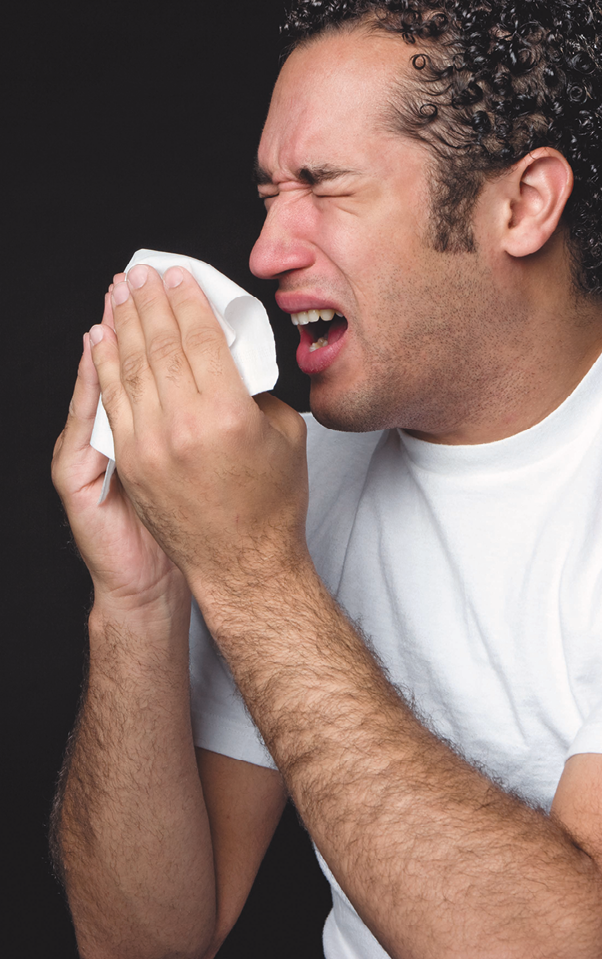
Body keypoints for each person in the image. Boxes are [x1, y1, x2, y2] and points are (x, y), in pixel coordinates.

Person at [50, 1, 602, 957]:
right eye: (269, 194)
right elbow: (140, 943)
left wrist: (254, 573)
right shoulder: (296, 476)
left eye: (325, 187)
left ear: (521, 206)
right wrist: (140, 594)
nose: (265, 254)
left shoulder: (262, 527)